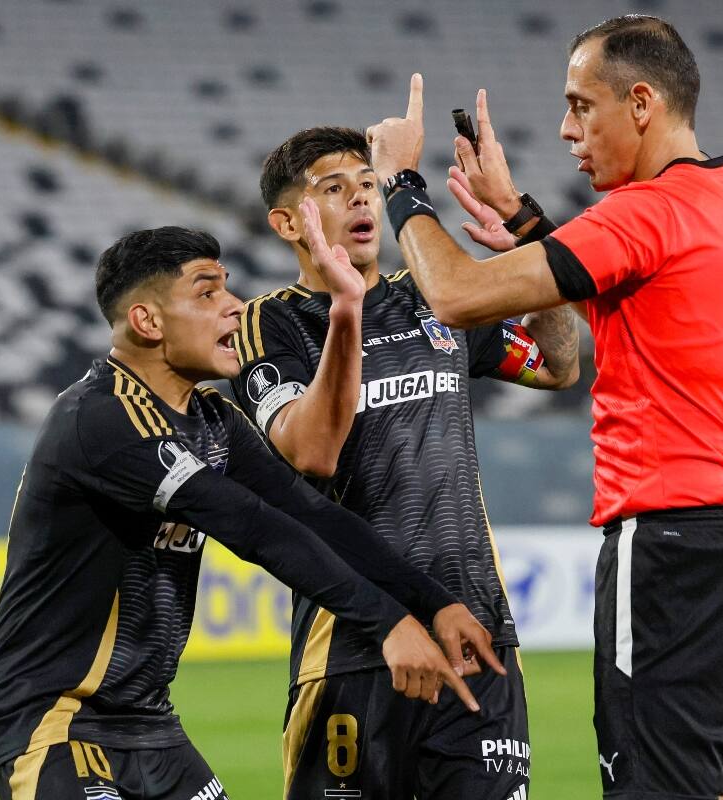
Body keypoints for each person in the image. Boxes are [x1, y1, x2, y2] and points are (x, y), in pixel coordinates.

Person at [360, 14, 723, 799]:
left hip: (669, 551)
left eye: (579, 106)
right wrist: (525, 220)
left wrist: (399, 184)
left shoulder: (645, 212)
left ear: (640, 102)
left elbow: (454, 295)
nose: (566, 129)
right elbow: (638, 306)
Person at [0, 226, 500, 800]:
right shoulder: (101, 419)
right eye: (206, 294)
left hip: (150, 723)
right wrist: (389, 623)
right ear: (148, 322)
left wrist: (433, 603)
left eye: (227, 287)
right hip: (52, 719)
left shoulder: (213, 420)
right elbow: (256, 529)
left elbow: (311, 515)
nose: (235, 305)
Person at [231, 126, 579, 799]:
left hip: (479, 637)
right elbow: (311, 451)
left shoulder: (434, 300)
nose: (362, 201)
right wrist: (346, 313)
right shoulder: (271, 324)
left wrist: (534, 271)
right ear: (286, 222)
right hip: (355, 647)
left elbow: (559, 367)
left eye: (367, 184)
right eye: (334, 190)